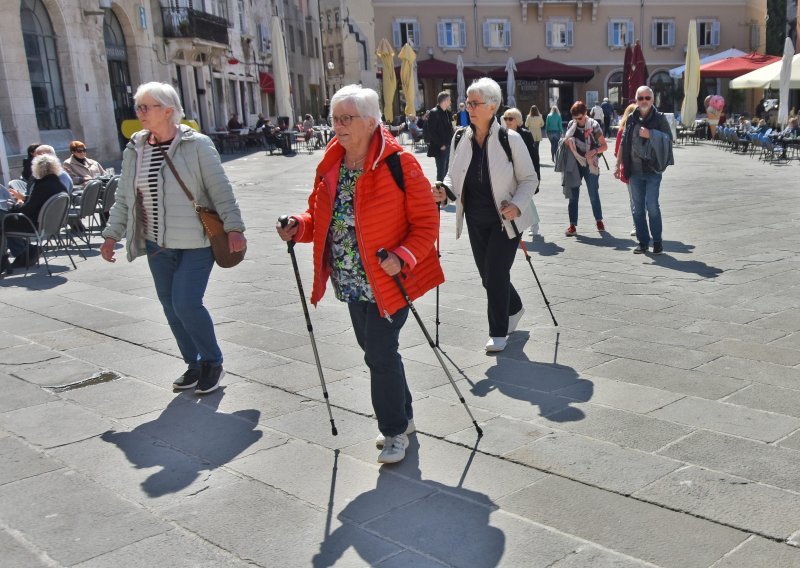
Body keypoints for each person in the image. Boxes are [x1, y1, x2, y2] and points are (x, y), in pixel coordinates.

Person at [276, 84, 443, 464]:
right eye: (334, 118)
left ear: (370, 122)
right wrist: (297, 227)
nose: (337, 125)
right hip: (350, 282)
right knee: (377, 351)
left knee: (379, 356)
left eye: (346, 118)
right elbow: (319, 218)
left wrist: (401, 256)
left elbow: (426, 223)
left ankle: (394, 431)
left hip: (389, 279)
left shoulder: (400, 164)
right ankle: (405, 413)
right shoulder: (332, 164)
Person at [100, 81, 247, 395]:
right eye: (137, 106)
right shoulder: (135, 148)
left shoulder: (198, 145)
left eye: (146, 107)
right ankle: (193, 365)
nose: (140, 112)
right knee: (170, 307)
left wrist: (234, 228)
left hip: (197, 242)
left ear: (168, 110)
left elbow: (221, 190)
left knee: (186, 302)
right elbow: (124, 198)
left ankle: (213, 361)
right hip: (157, 244)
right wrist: (112, 235)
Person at [433, 78, 539, 353]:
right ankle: (514, 308)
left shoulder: (510, 139)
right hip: (475, 220)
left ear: (492, 107)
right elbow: (452, 174)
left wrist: (517, 205)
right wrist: (445, 190)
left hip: (506, 219)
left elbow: (530, 179)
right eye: (467, 102)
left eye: (475, 103)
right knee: (488, 276)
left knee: (496, 272)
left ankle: (498, 332)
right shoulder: (460, 137)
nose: (469, 107)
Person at [617, 85, 673, 255]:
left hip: (653, 170)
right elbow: (624, 141)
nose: (643, 101)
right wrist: (619, 163)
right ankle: (642, 242)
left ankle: (657, 241)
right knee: (638, 208)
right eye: (640, 98)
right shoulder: (632, 118)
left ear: (652, 100)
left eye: (647, 98)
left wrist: (652, 134)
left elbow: (669, 140)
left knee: (652, 206)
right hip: (634, 170)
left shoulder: (660, 118)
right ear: (636, 100)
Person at [1, 153, 67, 274]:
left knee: (3, 220)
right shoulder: (58, 184)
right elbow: (40, 201)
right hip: (50, 224)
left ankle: (10, 257)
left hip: (33, 224)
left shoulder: (41, 185)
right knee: (6, 220)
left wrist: (18, 203)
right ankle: (25, 250)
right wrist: (24, 198)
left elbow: (27, 210)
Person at [561, 100, 608, 236]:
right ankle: (572, 225)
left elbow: (604, 146)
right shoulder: (571, 124)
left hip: (590, 163)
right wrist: (567, 142)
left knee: (593, 193)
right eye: (574, 118)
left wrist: (593, 152)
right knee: (573, 195)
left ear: (586, 113)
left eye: (580, 118)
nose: (577, 121)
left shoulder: (594, 125)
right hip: (574, 163)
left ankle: (599, 220)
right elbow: (566, 140)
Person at [503, 108, 541, 237]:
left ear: (518, 121)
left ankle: (534, 224)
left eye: (510, 119)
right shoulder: (501, 135)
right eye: (505, 118)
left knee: (527, 199)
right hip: (509, 174)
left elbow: (534, 156)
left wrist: (536, 176)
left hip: (524, 173)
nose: (507, 121)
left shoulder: (525, 134)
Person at [613, 103, 638, 237]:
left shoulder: (622, 130)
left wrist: (618, 165)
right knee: (643, 199)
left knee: (633, 199)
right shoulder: (625, 131)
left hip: (628, 169)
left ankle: (637, 225)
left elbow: (617, 152)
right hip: (636, 169)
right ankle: (639, 224)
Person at [427, 92, 454, 182]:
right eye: (449, 100)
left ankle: (445, 190)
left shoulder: (447, 112)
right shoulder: (434, 112)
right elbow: (431, 132)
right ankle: (439, 191)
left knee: (447, 171)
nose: (450, 101)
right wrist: (441, 145)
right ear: (445, 101)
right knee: (441, 172)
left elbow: (449, 128)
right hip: (440, 147)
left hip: (448, 145)